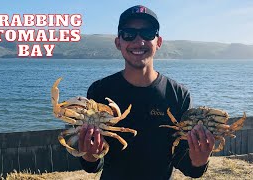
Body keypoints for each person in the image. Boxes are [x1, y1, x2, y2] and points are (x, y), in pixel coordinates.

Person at [78, 5, 215, 179]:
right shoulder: (99, 90)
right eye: (129, 33)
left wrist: (200, 160)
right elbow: (94, 165)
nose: (139, 41)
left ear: (158, 42)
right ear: (118, 42)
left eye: (148, 33)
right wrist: (89, 155)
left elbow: (185, 164)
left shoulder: (178, 95)